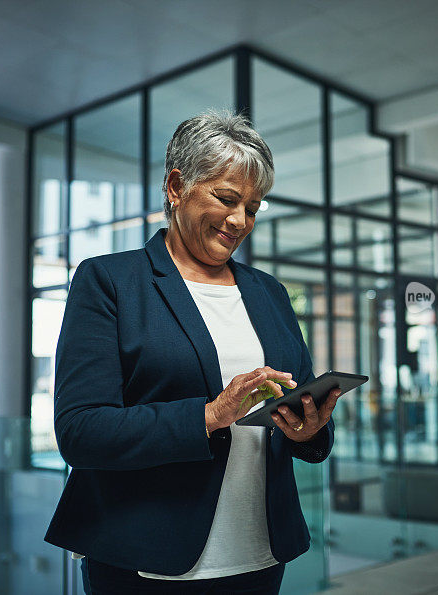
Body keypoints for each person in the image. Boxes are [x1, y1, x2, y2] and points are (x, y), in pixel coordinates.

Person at [44, 110, 342, 594]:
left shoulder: (271, 294)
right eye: (227, 199)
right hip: (145, 558)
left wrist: (309, 428)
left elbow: (298, 401)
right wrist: (210, 415)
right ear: (177, 186)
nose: (239, 220)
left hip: (260, 554)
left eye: (253, 206)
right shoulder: (110, 282)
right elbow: (81, 431)